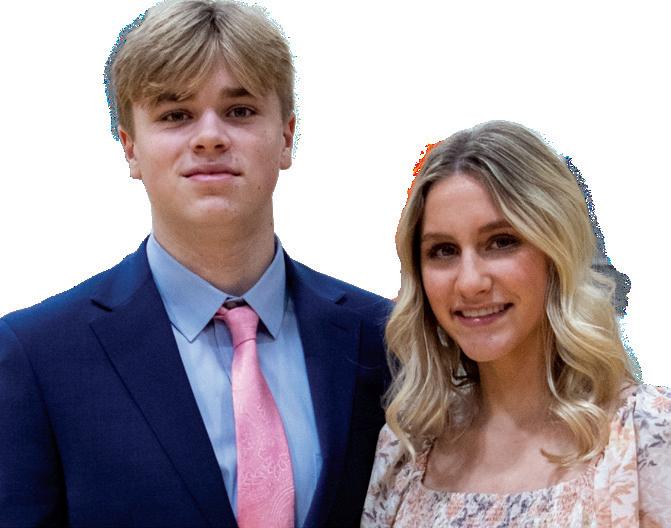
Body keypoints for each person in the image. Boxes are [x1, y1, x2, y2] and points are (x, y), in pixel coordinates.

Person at [0, 1, 391, 526]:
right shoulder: (37, 356)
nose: (209, 136)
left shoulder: (385, 338)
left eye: (240, 111)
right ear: (130, 149)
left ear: (286, 137)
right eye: (175, 115)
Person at [362, 121, 670, 526]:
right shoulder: (404, 452)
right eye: (443, 250)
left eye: (501, 242)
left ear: (556, 251)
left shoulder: (649, 432)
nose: (469, 282)